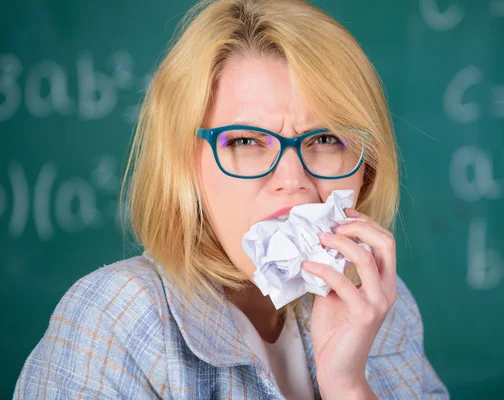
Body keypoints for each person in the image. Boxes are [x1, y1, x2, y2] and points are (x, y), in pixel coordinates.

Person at [14, 0, 449, 398]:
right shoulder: (117, 319)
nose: (292, 180)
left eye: (326, 138)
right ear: (186, 165)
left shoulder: (378, 306)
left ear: (366, 168)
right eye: (245, 140)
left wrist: (347, 385)